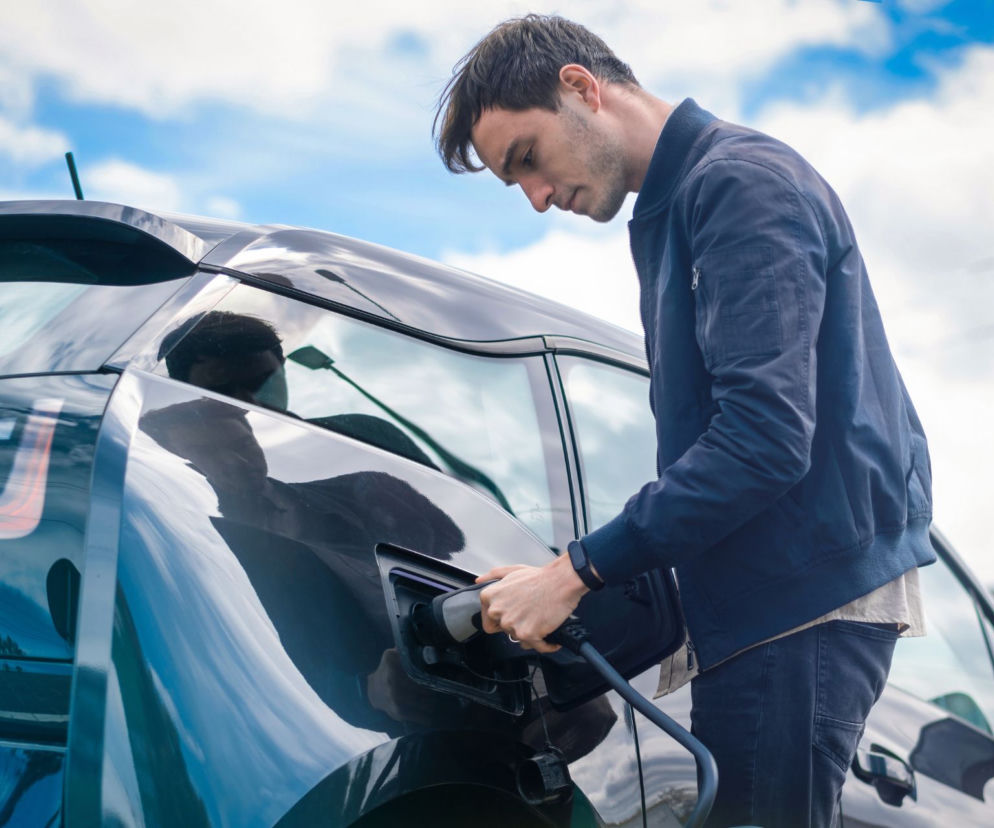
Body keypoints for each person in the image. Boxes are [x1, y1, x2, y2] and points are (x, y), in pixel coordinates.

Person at [433, 14, 934, 827]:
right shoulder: (682, 206)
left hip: (795, 607)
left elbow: (763, 442)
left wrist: (573, 572)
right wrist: (572, 587)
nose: (536, 198)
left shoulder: (740, 185)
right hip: (768, 602)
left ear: (580, 88)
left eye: (527, 157)